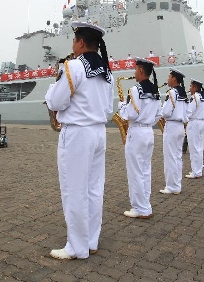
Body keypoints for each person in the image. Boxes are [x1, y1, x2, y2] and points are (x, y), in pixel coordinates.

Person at [45, 21, 114, 260]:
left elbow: (56, 102)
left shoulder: (73, 67)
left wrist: (50, 90)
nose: (72, 45)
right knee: (94, 189)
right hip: (98, 132)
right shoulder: (107, 72)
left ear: (81, 42)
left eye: (74, 40)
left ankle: (76, 247)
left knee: (74, 190)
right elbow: (108, 109)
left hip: (77, 135)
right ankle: (91, 241)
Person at [118, 58, 161, 217]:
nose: (134, 73)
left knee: (135, 171)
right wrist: (148, 122)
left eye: (136, 70)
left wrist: (122, 106)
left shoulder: (135, 90)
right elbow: (159, 114)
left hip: (136, 132)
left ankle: (140, 208)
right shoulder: (156, 91)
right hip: (149, 132)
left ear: (141, 71)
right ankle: (145, 205)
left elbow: (131, 114)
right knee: (145, 170)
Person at [160, 68, 188, 195]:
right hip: (180, 126)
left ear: (174, 79)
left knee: (170, 157)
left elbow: (166, 112)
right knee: (177, 156)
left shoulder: (172, 92)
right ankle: (176, 185)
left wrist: (160, 111)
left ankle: (171, 186)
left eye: (169, 77)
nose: (167, 79)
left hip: (171, 126)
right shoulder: (183, 93)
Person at [185, 79, 204, 178]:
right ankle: (198, 170)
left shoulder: (195, 97)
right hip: (201, 122)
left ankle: (196, 172)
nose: (190, 88)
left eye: (191, 86)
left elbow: (189, 111)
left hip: (194, 123)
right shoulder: (203, 97)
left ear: (195, 87)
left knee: (194, 148)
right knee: (199, 147)